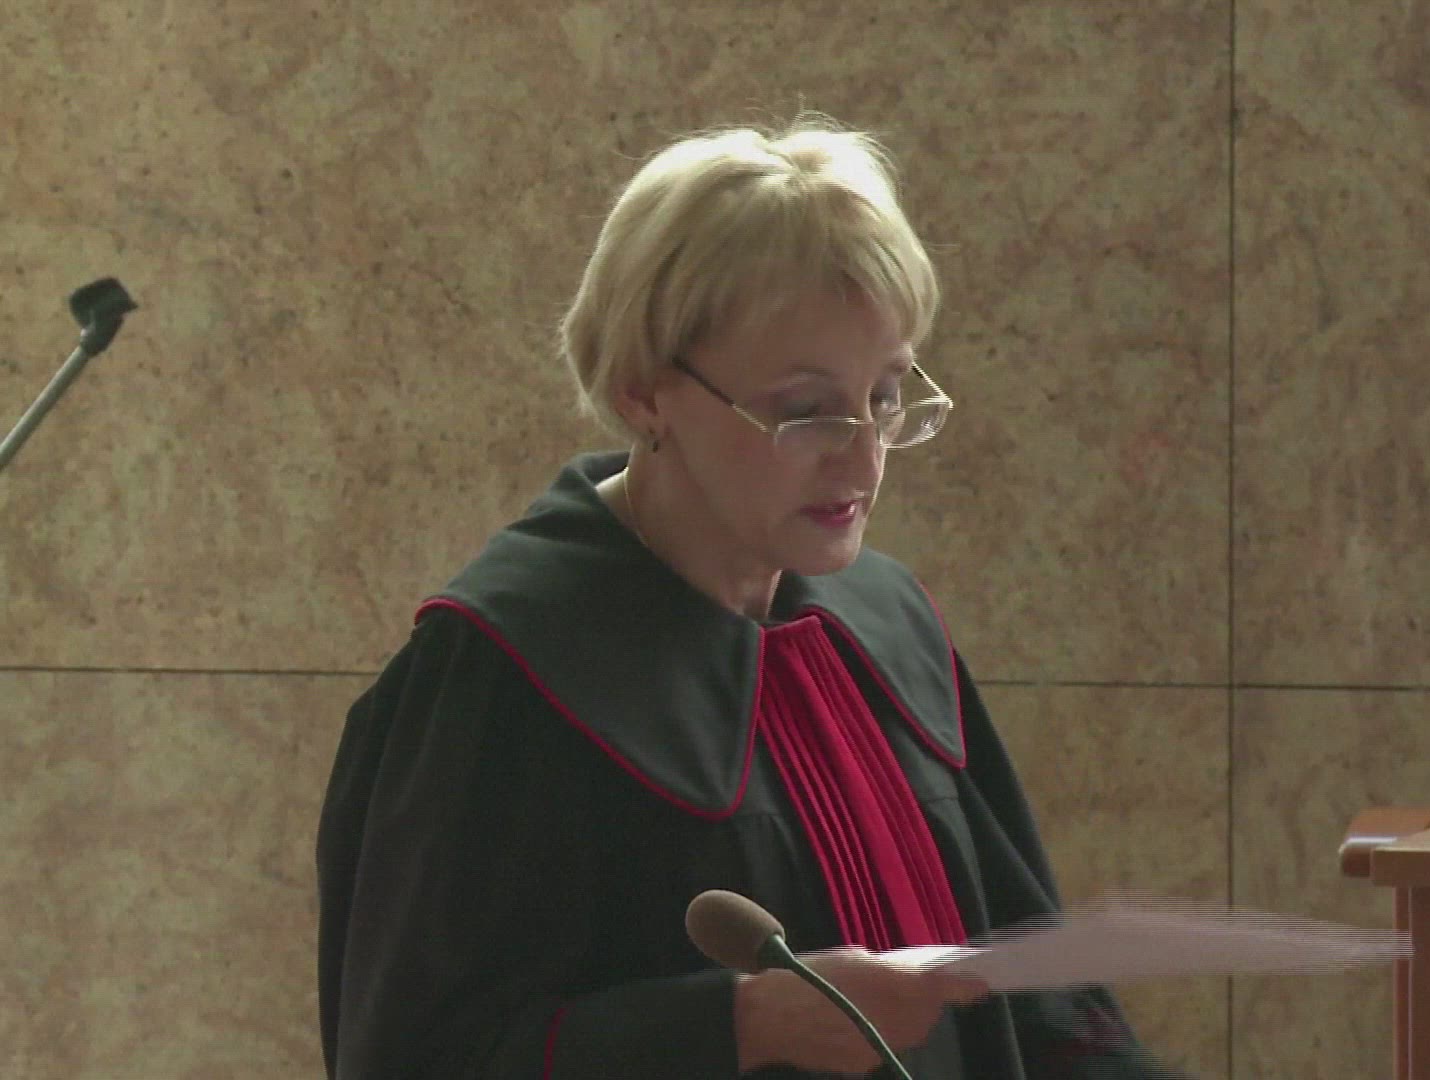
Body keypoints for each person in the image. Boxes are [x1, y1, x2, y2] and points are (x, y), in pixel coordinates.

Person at [314, 115, 1182, 1078]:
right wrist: (732, 1025)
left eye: (886, 395)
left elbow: (1037, 1007)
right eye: (806, 410)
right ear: (645, 391)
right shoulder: (506, 673)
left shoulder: (887, 629)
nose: (864, 460)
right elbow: (416, 1058)